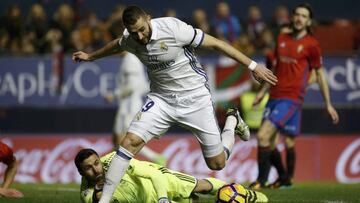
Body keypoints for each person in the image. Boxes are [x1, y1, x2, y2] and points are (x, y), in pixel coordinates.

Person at [72, 5, 277, 203]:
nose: (141, 37)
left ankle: (232, 120)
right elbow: (116, 45)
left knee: (217, 163)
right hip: (161, 100)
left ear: (149, 18)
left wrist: (252, 65)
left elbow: (217, 44)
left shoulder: (173, 29)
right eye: (135, 33)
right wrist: (91, 56)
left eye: (142, 29)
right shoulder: (130, 39)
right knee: (129, 142)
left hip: (195, 98)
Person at [249, 3, 339, 189]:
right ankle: (285, 177)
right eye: (297, 14)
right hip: (274, 96)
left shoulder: (312, 45)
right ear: (293, 17)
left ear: (309, 21)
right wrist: (261, 92)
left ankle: (261, 180)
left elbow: (320, 74)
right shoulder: (282, 38)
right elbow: (274, 70)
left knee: (264, 136)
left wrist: (328, 104)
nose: (299, 18)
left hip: (291, 98)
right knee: (270, 141)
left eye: (304, 16)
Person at [75, 148, 268, 203]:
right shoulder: (88, 194)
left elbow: (154, 175)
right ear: (81, 173)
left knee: (201, 187)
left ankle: (244, 194)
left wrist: (163, 199)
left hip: (159, 180)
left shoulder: (116, 161)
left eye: (97, 163)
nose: (96, 169)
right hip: (146, 200)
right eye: (89, 168)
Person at [104, 52, 166, 165]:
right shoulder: (134, 59)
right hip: (130, 104)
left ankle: (154, 158)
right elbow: (143, 86)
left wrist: (114, 95)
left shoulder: (130, 60)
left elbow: (131, 86)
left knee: (122, 141)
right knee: (116, 140)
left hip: (128, 106)